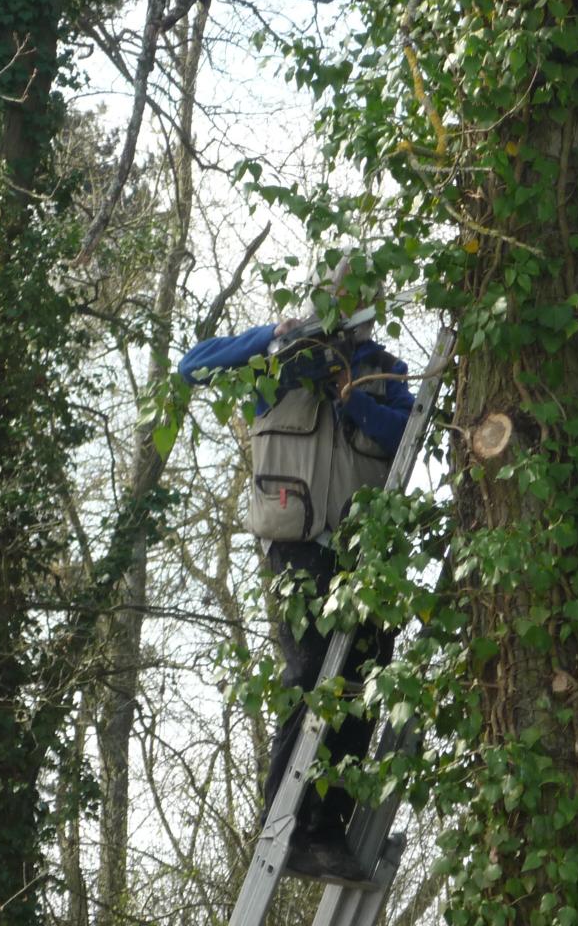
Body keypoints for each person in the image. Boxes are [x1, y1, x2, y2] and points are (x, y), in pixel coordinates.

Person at [178, 260, 414, 882]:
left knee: (364, 684)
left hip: (367, 554)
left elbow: (412, 431)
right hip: (300, 550)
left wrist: (358, 405)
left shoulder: (382, 372)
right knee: (309, 673)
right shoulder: (277, 366)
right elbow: (191, 365)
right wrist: (272, 336)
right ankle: (283, 823)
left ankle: (328, 829)